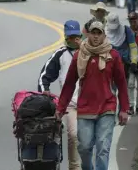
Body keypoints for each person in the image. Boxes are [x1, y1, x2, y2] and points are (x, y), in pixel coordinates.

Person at [55, 21, 129, 170]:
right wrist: (60, 108)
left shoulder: (112, 55)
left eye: (98, 33)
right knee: (84, 147)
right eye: (93, 33)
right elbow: (69, 84)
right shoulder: (79, 56)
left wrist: (124, 109)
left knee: (103, 148)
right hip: (85, 108)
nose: (95, 36)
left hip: (106, 107)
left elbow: (121, 84)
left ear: (103, 35)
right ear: (87, 34)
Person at [37, 20, 82, 170]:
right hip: (71, 105)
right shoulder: (61, 54)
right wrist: (45, 91)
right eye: (70, 37)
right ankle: (73, 167)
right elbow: (44, 76)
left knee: (90, 141)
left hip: (91, 103)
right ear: (66, 36)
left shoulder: (88, 52)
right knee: (73, 135)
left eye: (76, 36)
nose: (73, 40)